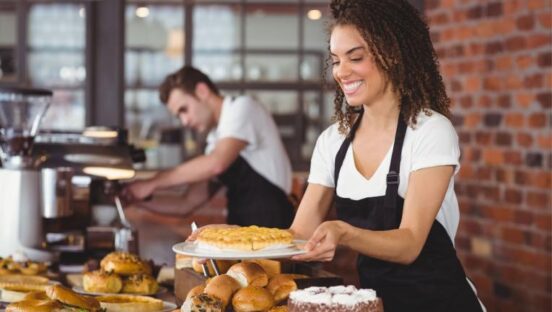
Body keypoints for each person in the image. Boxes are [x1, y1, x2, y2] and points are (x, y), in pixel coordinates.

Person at [288, 0, 486, 311]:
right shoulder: (333, 142)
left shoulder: (430, 131)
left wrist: (343, 232)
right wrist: (228, 243)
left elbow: (409, 244)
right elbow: (297, 235)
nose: (341, 72)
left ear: (391, 54)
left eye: (355, 57)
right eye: (336, 60)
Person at [122, 66, 295, 228]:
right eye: (178, 116)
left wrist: (153, 182)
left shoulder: (242, 107)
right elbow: (186, 203)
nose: (184, 121)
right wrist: (135, 199)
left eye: (184, 109)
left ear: (202, 91)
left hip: (274, 232)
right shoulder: (216, 140)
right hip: (242, 238)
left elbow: (216, 163)